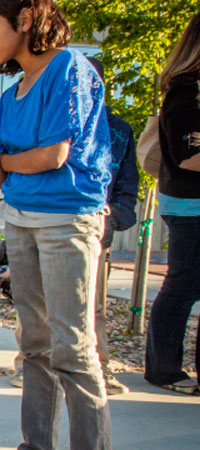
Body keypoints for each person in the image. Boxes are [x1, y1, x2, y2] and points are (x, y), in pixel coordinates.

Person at [0, 1, 113, 448]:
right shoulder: (12, 94)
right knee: (34, 344)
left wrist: (9, 162)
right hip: (20, 218)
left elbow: (53, 154)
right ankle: (36, 443)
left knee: (73, 347)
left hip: (67, 220)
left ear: (27, 18)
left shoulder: (70, 67)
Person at [144, 12, 200, 396]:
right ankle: (163, 368)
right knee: (183, 283)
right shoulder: (186, 91)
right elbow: (187, 155)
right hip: (189, 204)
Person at [85, 56, 140, 395]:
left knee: (95, 305)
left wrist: (110, 218)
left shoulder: (119, 131)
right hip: (56, 223)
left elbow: (127, 191)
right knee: (43, 302)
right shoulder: (57, 123)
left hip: (97, 232)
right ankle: (31, 364)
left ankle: (99, 367)